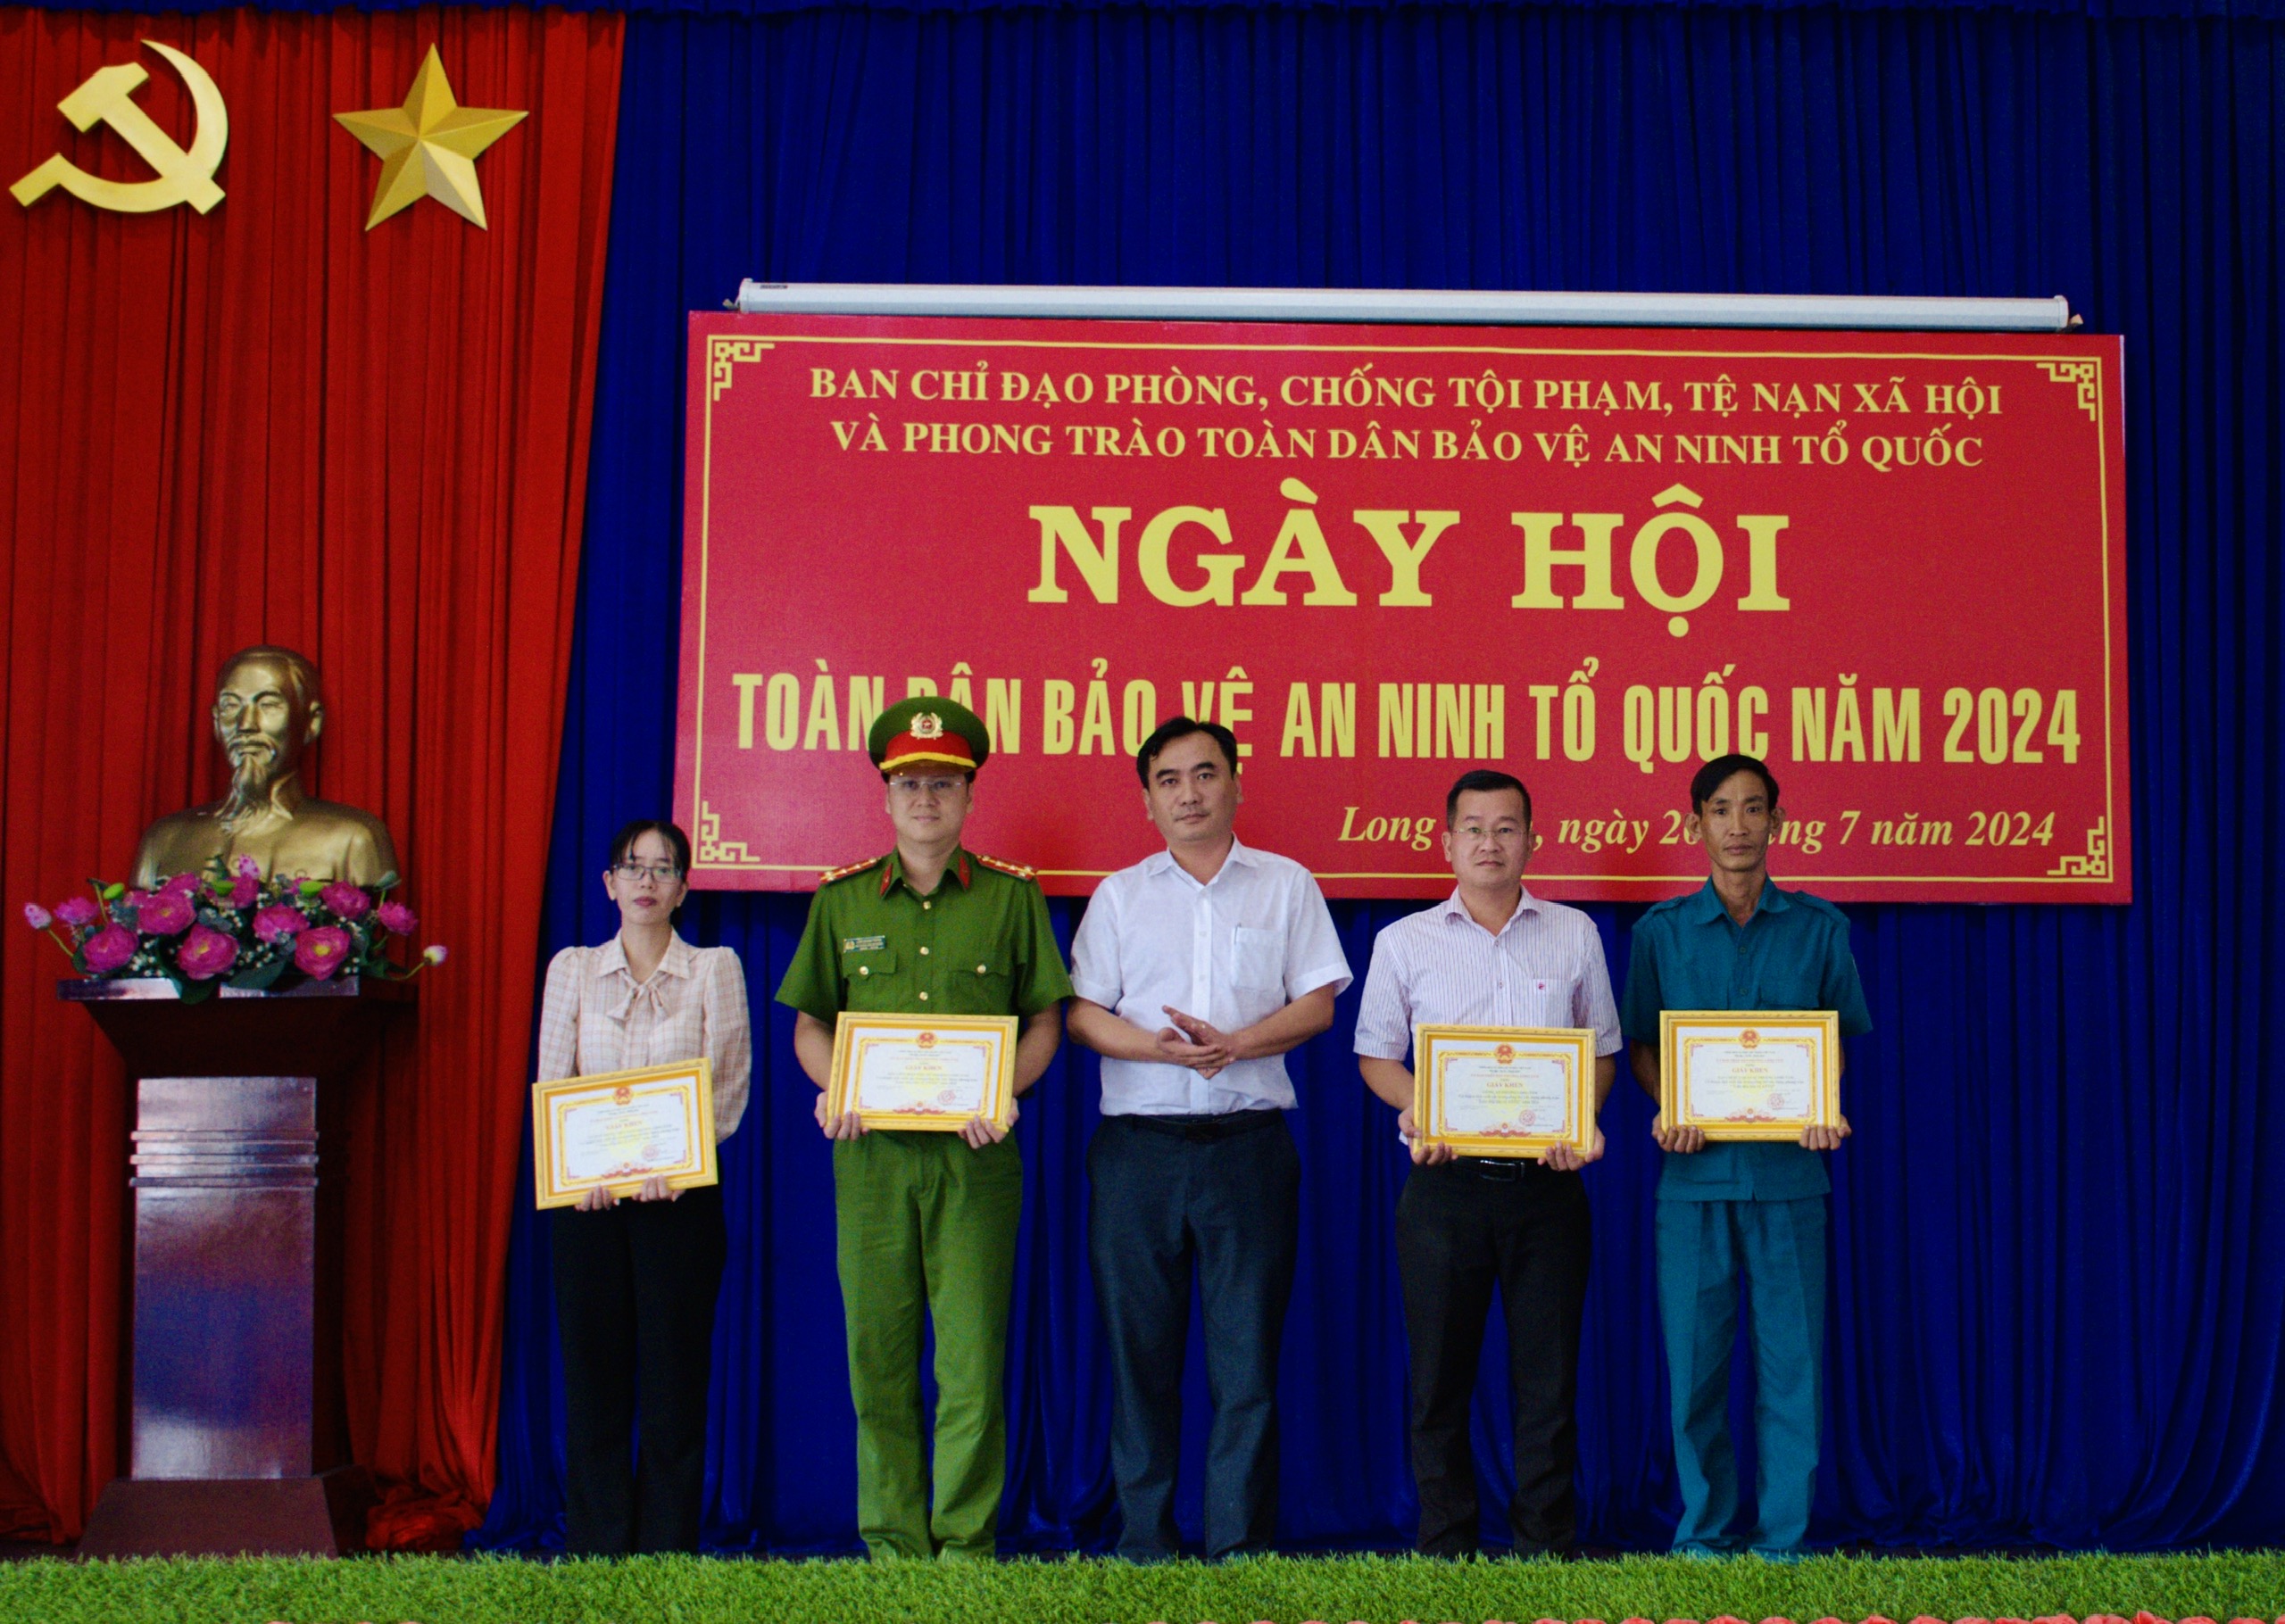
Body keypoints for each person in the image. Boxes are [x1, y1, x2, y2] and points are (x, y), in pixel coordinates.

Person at [775, 697, 1070, 1562]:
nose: (926, 798)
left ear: (970, 794)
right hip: (871, 1158)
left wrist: (1005, 1090)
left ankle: (965, 1542)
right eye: (910, 782)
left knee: (972, 1362)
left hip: (976, 1158)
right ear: (885, 794)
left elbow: (1044, 1020)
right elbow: (809, 1024)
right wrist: (834, 1088)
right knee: (880, 1353)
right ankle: (893, 1541)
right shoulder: (841, 899)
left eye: (943, 783)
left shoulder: (1012, 899)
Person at [1066, 717, 1352, 1561]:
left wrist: (1237, 1045)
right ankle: (1146, 1545)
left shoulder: (1286, 884)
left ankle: (1236, 1553)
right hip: (1137, 1154)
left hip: (1248, 1149)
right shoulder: (1120, 894)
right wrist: (1152, 1045)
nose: (1189, 793)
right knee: (1138, 1360)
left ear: (1236, 783)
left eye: (1205, 774)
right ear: (1147, 798)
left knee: (1247, 1366)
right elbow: (1081, 1013)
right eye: (1168, 780)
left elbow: (1319, 1003)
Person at [1353, 768, 1620, 1558]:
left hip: (1548, 1188)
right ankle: (1447, 1548)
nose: (1490, 843)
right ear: (1446, 843)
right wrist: (1419, 1111)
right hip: (1444, 1187)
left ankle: (1545, 1549)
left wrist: (1584, 1119)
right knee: (1439, 1382)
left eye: (1507, 828)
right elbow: (1375, 1057)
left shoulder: (1574, 933)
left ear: (1533, 841)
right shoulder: (1402, 942)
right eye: (1473, 828)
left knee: (1548, 1384)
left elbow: (1600, 1051)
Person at [1622, 754, 1871, 1560]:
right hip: (1692, 1182)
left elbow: (1827, 1046)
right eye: (1720, 809)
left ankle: (1786, 1541)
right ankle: (1704, 1535)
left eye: (1753, 809)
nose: (1737, 825)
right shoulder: (1659, 933)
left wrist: (1823, 1108)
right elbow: (1644, 1047)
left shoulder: (1820, 928)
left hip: (1790, 1178)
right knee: (1694, 1373)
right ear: (1695, 823)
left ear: (1777, 823)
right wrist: (1669, 1108)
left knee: (1792, 1369)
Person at [534, 818, 752, 1555]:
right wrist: (582, 1173)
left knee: (673, 1383)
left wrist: (677, 1165)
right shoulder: (570, 967)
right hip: (587, 1206)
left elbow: (727, 1085)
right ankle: (597, 1548)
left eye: (663, 869)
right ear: (609, 884)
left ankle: (666, 1549)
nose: (647, 881)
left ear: (684, 887)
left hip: (680, 1204)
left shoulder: (716, 967)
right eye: (633, 867)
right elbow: (553, 1081)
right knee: (593, 1381)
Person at [133, 644, 397, 887]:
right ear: (215, 722)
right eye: (231, 705)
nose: (245, 724)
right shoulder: (164, 841)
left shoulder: (354, 839)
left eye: (269, 704)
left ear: (311, 722)